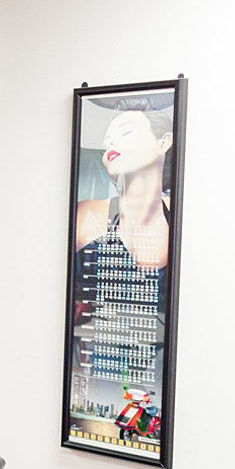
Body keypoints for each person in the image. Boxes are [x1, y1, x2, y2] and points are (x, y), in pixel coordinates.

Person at [73, 96, 174, 313]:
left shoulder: (181, 216)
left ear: (163, 143)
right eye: (106, 142)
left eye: (126, 132)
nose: (111, 144)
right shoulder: (85, 215)